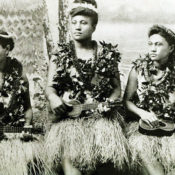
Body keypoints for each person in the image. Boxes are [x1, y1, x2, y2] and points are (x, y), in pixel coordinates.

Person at [45, 0, 130, 174]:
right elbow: (50, 88)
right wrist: (54, 98)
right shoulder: (59, 54)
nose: (77, 27)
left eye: (83, 23)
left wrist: (110, 101)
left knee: (105, 167)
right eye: (74, 23)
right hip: (70, 121)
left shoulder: (107, 54)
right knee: (72, 169)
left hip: (100, 119)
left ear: (94, 27)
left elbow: (116, 89)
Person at [124, 25, 175, 175]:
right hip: (142, 130)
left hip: (169, 128)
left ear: (171, 48)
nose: (153, 49)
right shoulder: (138, 69)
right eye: (150, 44)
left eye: (158, 44)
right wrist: (142, 113)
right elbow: (126, 101)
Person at [0, 30, 42, 175]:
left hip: (12, 135)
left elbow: (27, 107)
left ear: (7, 49)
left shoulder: (19, 74)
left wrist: (27, 125)